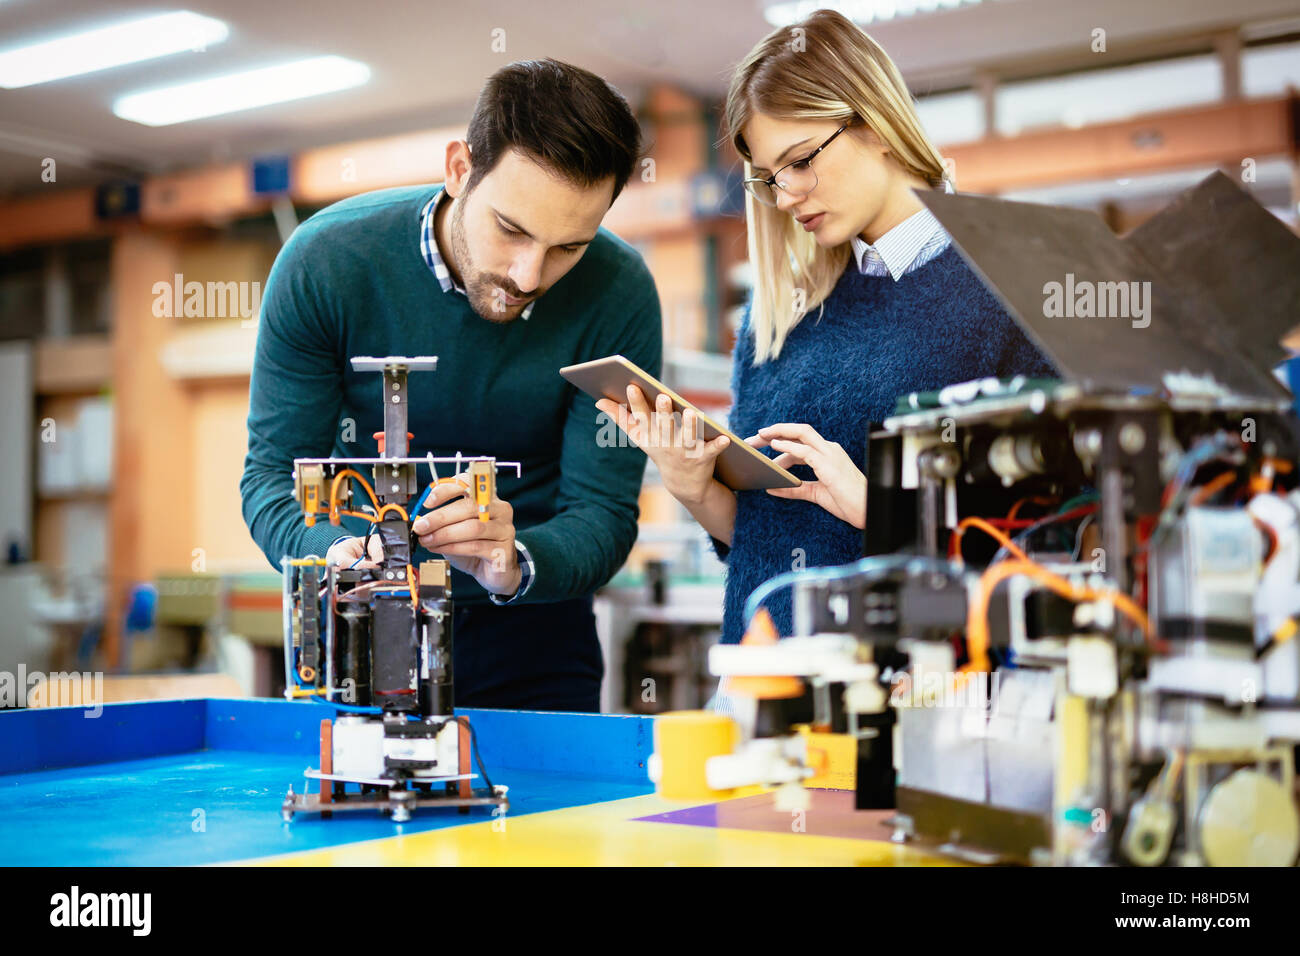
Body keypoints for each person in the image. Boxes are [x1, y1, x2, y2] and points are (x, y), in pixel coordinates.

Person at [596, 10, 1055, 646]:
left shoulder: (1010, 289)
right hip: (758, 677)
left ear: (875, 124)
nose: (785, 196)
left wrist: (882, 512)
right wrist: (694, 488)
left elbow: (1049, 532)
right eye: (770, 177)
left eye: (800, 161)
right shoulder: (777, 314)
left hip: (907, 686)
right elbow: (757, 540)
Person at [241, 59, 662, 712]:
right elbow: (271, 478)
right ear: (459, 169)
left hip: (537, 635)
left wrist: (515, 560)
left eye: (569, 248)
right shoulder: (326, 263)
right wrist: (338, 554)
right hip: (363, 620)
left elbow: (602, 514)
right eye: (512, 230)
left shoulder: (618, 291)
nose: (528, 276)